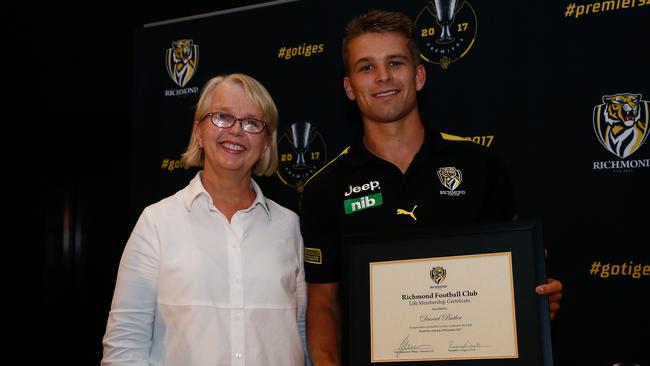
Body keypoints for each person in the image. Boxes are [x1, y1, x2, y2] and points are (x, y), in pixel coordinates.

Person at [299, 9, 563, 365]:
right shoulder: (324, 188)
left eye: (395, 62)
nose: (382, 77)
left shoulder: (480, 165)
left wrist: (533, 299)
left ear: (419, 75)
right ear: (349, 87)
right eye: (366, 67)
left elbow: (511, 276)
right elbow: (323, 305)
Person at [102, 73, 306, 365]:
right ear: (198, 132)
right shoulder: (157, 223)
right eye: (222, 117)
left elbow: (300, 334)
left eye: (251, 123)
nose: (236, 130)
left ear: (266, 143)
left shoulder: (288, 226)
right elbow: (125, 343)